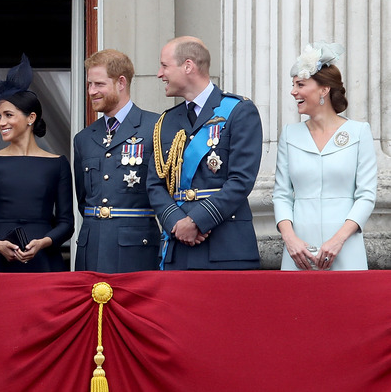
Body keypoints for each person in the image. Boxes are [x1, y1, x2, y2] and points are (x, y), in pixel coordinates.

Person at [147, 36, 263, 270]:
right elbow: (154, 184)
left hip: (225, 248)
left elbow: (241, 181)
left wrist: (197, 221)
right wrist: (177, 222)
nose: (160, 74)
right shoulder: (166, 121)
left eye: (165, 66)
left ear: (188, 66)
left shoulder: (238, 111)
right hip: (177, 248)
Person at [273, 42, 376, 271]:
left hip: (345, 247)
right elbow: (281, 195)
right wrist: (290, 239)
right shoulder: (290, 135)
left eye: (300, 84)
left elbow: (366, 195)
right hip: (298, 251)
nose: (293, 91)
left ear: (324, 89)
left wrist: (338, 240)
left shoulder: (359, 132)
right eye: (293, 85)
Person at [0, 55, 73, 272]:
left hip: (44, 261)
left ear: (31, 118)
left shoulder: (57, 164)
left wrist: (44, 242)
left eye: (8, 115)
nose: (1, 123)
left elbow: (66, 224)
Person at [73, 49, 161, 273]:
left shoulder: (156, 128)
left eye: (99, 84)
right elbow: (83, 199)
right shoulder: (84, 138)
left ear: (121, 82)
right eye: (89, 85)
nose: (91, 91)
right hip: (91, 248)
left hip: (136, 250)